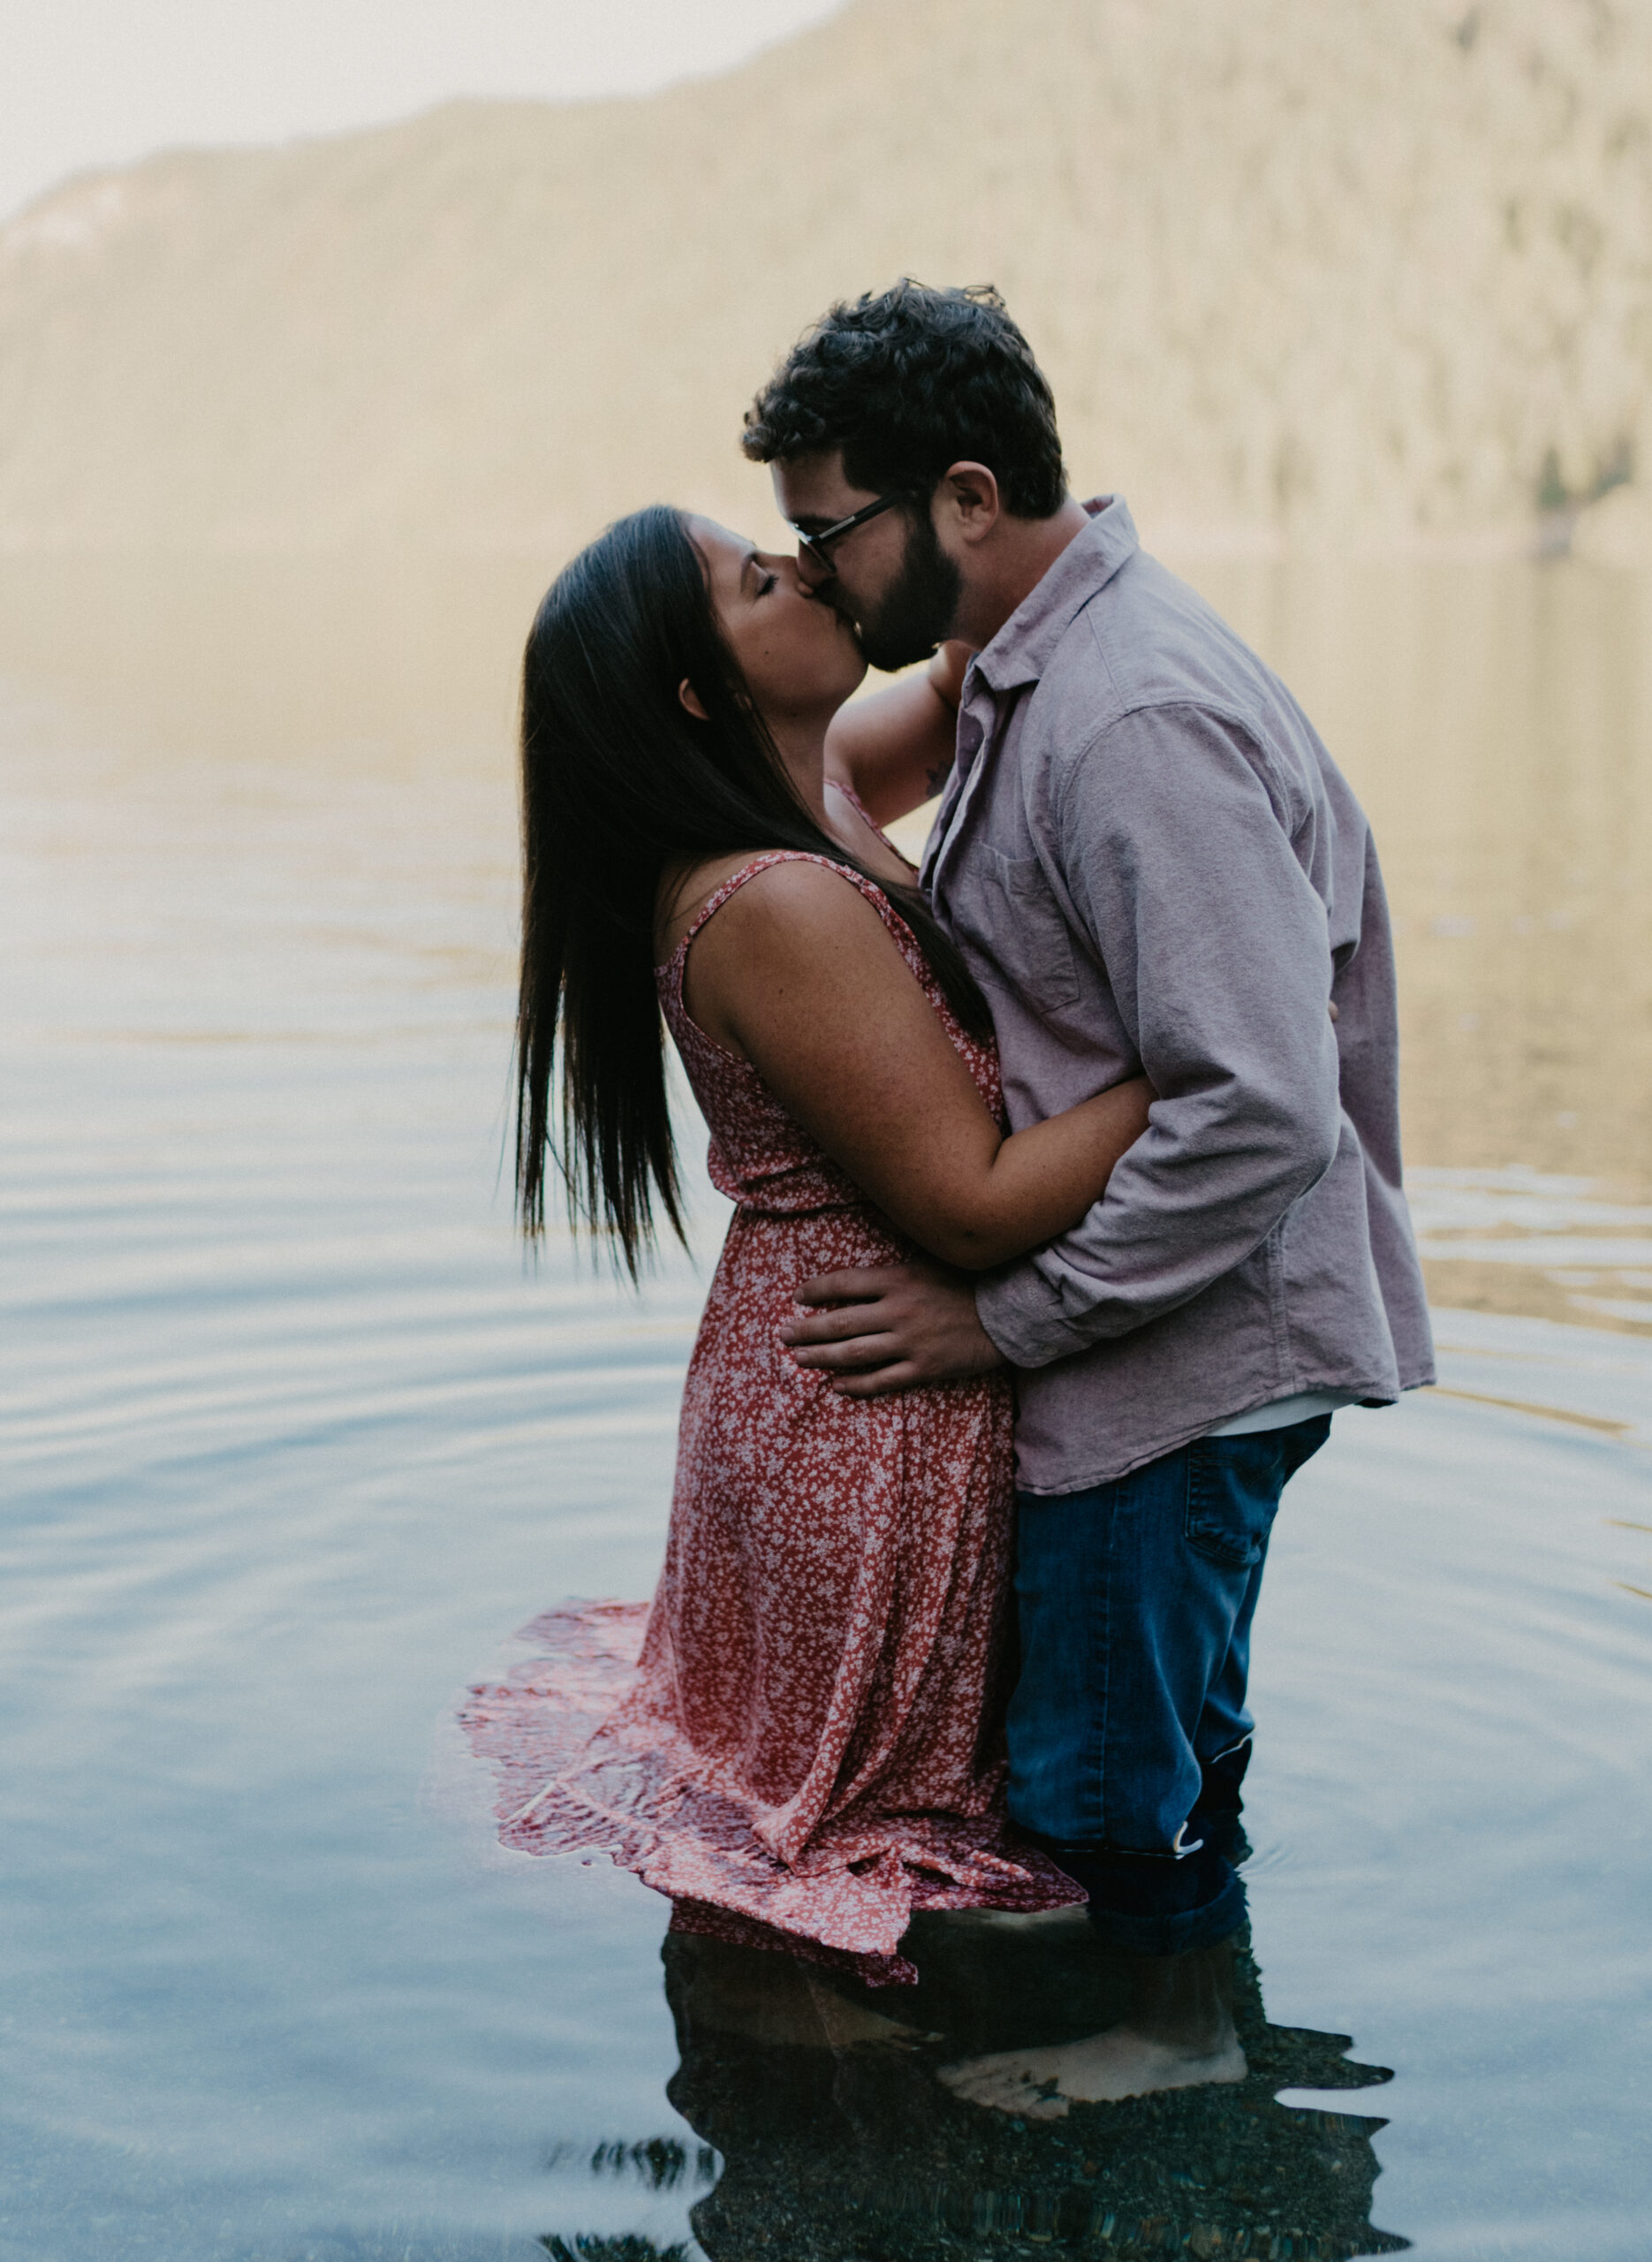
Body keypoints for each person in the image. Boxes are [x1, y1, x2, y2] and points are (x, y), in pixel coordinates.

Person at [743, 280, 1436, 2111]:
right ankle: (1187, 1995)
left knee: (1082, 1771)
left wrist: (1002, 1316)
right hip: (1170, 1330)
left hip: (1182, 1349)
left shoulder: (1126, 716)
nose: (815, 576)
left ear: (962, 499)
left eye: (829, 534)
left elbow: (1260, 1108)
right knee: (1162, 1728)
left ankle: (1168, 2038)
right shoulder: (1023, 671)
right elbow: (811, 774)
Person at [462, 499, 1160, 2014]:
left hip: (820, 1365)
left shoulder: (822, 784)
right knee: (860, 1845)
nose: (808, 573)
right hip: (865, 1381)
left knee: (827, 1790)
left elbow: (978, 669)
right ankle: (864, 2127)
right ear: (703, 695)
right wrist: (1200, 1069)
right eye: (759, 579)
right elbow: (971, 1200)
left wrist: (1034, 523)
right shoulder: (767, 900)